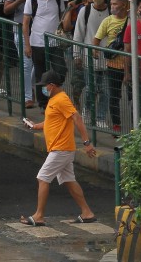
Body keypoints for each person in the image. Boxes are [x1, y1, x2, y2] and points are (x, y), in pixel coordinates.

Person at [20, 70, 97, 226]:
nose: (44, 89)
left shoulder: (61, 99)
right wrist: (35, 126)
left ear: (52, 85)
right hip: (61, 148)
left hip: (61, 148)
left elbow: (77, 118)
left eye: (45, 86)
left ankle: (39, 215)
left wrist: (87, 143)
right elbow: (51, 122)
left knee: (42, 177)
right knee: (69, 180)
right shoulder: (55, 100)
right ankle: (87, 213)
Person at [23, 0, 67, 111]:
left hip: (55, 43)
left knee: (61, 70)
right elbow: (25, 23)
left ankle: (53, 92)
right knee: (40, 75)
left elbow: (62, 17)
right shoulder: (31, 0)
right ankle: (44, 104)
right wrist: (27, 45)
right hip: (37, 43)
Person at [72, 0, 110, 127]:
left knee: (106, 91)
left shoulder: (110, 12)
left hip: (107, 60)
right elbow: (78, 34)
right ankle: (87, 111)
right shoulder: (85, 11)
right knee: (90, 89)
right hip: (89, 59)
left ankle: (100, 117)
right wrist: (77, 55)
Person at [92, 0, 130, 134]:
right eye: (111, 4)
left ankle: (136, 128)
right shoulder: (108, 21)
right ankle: (116, 125)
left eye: (115, 4)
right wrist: (95, 51)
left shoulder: (132, 20)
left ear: (124, 5)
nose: (112, 6)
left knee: (132, 98)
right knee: (114, 96)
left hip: (130, 66)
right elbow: (96, 39)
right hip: (113, 65)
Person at [3, 0, 37, 108]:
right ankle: (28, 97)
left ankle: (32, 88)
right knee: (26, 64)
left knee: (37, 63)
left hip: (38, 28)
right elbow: (6, 9)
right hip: (20, 28)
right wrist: (19, 1)